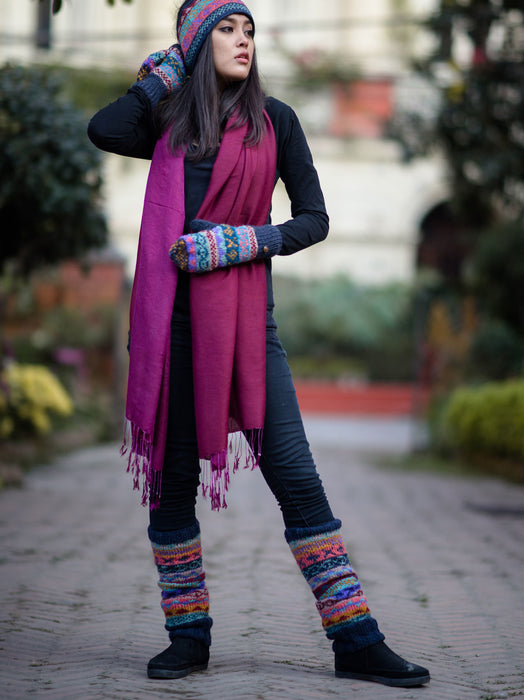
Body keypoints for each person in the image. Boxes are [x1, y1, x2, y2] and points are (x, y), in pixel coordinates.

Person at [88, 0, 430, 688]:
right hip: (171, 327)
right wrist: (159, 79)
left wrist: (241, 242)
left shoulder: (277, 122)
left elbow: (314, 219)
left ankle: (355, 638)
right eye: (226, 29)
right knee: (172, 486)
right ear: (194, 44)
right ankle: (188, 638)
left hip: (248, 327)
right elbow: (105, 128)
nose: (243, 40)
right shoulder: (167, 121)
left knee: (296, 476)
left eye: (249, 30)